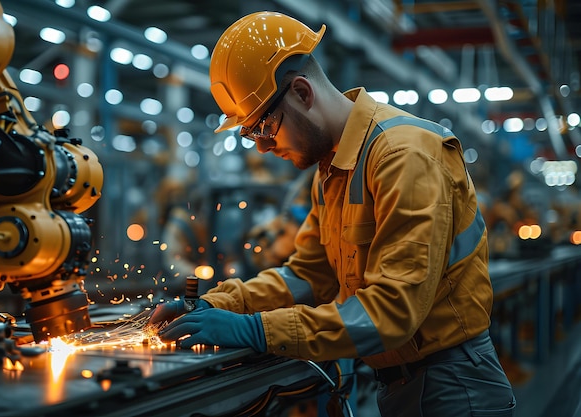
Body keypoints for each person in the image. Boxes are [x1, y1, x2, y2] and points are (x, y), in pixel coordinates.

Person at [149, 11, 516, 417]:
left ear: (303, 93)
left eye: (265, 127)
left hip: (455, 386)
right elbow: (308, 276)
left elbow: (392, 312)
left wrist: (255, 330)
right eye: (251, 134)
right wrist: (219, 303)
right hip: (404, 382)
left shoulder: (403, 155)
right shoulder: (332, 170)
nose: (262, 148)